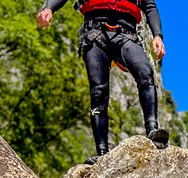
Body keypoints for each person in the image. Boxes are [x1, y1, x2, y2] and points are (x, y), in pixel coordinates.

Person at [37, 0, 170, 165]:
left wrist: (157, 35)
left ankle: (153, 131)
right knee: (98, 92)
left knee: (145, 74)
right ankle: (101, 152)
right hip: (95, 33)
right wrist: (49, 8)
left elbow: (149, 7)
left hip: (127, 35)